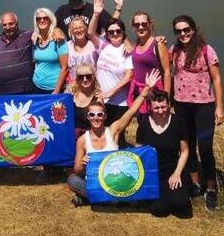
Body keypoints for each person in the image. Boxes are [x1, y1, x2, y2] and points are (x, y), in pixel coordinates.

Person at [66, 69, 162, 206]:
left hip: (115, 181)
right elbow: (77, 169)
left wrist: (146, 89)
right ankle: (110, 199)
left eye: (99, 115)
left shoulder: (113, 130)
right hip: (95, 181)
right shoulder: (82, 140)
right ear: (88, 117)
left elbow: (131, 111)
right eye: (92, 115)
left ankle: (95, 198)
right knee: (72, 179)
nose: (96, 118)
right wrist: (82, 163)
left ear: (105, 116)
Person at [169, 14, 224, 212]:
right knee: (188, 146)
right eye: (179, 31)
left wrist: (219, 107)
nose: (183, 33)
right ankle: (195, 184)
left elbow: (217, 80)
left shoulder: (206, 50)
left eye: (186, 30)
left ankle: (211, 188)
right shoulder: (174, 50)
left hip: (204, 105)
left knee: (205, 147)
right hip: (181, 105)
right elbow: (161, 62)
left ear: (193, 29)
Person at [135, 89, 193, 218]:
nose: (161, 111)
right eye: (156, 108)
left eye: (163, 107)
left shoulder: (179, 123)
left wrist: (177, 173)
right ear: (150, 107)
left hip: (174, 171)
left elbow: (184, 151)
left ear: (168, 105)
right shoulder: (144, 124)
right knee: (159, 210)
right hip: (154, 173)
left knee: (182, 208)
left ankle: (183, 193)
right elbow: (139, 152)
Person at [88, 0, 133, 147]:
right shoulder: (103, 45)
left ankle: (121, 166)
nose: (115, 34)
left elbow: (129, 76)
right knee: (102, 134)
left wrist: (110, 93)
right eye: (111, 32)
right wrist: (96, 13)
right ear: (107, 34)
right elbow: (90, 33)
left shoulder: (127, 50)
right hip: (101, 101)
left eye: (118, 31)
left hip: (120, 102)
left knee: (117, 136)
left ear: (123, 32)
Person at [128, 11, 171, 115]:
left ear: (150, 24)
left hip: (155, 92)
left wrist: (166, 97)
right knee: (143, 124)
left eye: (144, 24)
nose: (141, 27)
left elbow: (167, 72)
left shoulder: (158, 44)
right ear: (134, 27)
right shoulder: (136, 44)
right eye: (137, 24)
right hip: (140, 92)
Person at [0, 12, 36, 94]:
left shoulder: (27, 35)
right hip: (3, 91)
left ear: (17, 23)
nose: (8, 27)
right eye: (4, 25)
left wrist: (56, 31)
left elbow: (46, 32)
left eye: (11, 24)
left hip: (25, 90)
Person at [31, 8, 69, 94]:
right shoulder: (35, 39)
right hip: (36, 86)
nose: (42, 20)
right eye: (38, 19)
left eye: (45, 18)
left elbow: (65, 68)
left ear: (51, 20)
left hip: (53, 89)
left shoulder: (58, 39)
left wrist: (56, 90)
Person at [70, 64, 100, 139]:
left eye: (88, 76)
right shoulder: (70, 96)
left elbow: (99, 124)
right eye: (81, 77)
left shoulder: (98, 98)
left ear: (93, 77)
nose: (85, 79)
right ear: (77, 79)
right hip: (70, 137)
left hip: (88, 138)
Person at [66, 17, 97, 85]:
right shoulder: (67, 46)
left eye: (81, 27)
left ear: (86, 28)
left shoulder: (94, 44)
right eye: (75, 28)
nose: (79, 30)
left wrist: (126, 42)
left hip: (91, 85)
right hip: (73, 86)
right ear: (71, 31)